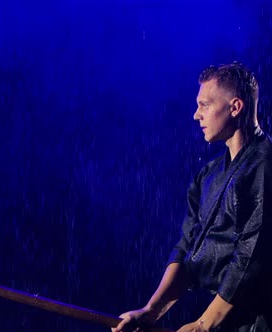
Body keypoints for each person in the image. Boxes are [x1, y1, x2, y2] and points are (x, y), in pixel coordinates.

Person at [113, 63, 272, 332]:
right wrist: (151, 311)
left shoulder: (265, 164)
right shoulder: (207, 176)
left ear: (235, 107)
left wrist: (203, 324)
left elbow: (253, 254)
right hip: (224, 321)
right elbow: (188, 247)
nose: (196, 115)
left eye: (205, 105)